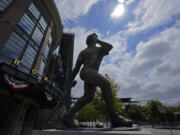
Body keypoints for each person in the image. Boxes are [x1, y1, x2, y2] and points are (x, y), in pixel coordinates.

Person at [62, 33, 132, 128]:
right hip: (86, 72)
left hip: (91, 74)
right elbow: (76, 68)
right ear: (91, 39)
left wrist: (98, 41)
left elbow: (110, 47)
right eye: (95, 37)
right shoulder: (84, 51)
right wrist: (69, 81)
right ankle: (114, 117)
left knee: (88, 97)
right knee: (106, 84)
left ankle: (67, 117)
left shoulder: (100, 49)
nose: (97, 37)